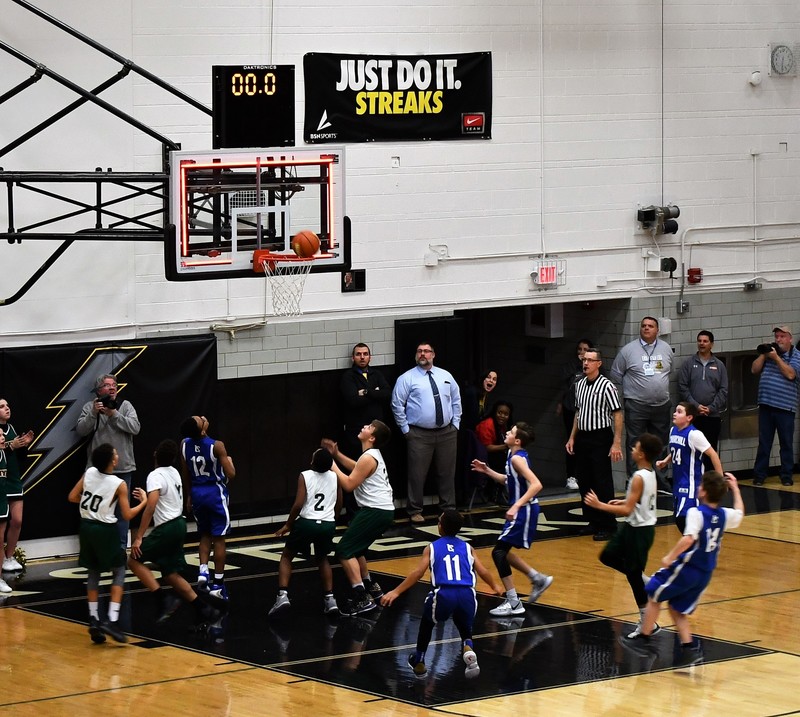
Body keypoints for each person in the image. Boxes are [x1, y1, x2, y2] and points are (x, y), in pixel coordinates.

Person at [622, 470, 744, 668]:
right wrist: (736, 490)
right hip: (705, 574)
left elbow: (688, 538)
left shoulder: (696, 513)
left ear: (703, 491)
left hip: (688, 568)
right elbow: (739, 514)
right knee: (676, 609)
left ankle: (644, 639)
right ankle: (689, 649)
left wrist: (670, 556)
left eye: (700, 485)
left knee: (653, 590)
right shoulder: (724, 515)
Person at [380, 509, 504, 679]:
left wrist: (396, 591)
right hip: (468, 594)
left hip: (444, 593)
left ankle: (420, 660)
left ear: (441, 527)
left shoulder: (431, 548)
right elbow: (482, 570)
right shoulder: (468, 548)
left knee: (427, 623)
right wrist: (495, 585)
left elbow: (417, 573)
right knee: (463, 624)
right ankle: (468, 646)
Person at [128, 440, 220, 627]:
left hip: (167, 528)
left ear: (155, 454)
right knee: (170, 573)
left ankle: (163, 599)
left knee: (132, 560)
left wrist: (139, 537)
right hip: (179, 524)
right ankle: (205, 609)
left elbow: (151, 506)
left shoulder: (155, 475)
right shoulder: (175, 472)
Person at [584, 432, 663, 638]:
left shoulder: (639, 477)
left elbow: (628, 510)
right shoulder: (648, 472)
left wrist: (599, 505)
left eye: (635, 447)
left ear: (642, 454)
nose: (632, 450)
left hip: (641, 530)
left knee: (632, 575)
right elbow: (638, 501)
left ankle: (648, 622)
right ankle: (646, 579)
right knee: (607, 556)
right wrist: (623, 502)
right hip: (631, 527)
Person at [67, 443, 147, 643]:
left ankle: (94, 619)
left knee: (93, 572)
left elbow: (72, 497)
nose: (117, 454)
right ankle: (111, 620)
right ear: (113, 461)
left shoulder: (90, 472)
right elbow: (127, 514)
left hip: (86, 527)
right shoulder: (118, 483)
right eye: (115, 452)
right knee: (119, 571)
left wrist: (93, 501)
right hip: (105, 530)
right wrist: (144, 502)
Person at [471, 422, 553, 616]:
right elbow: (510, 480)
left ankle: (514, 602)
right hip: (522, 509)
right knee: (503, 550)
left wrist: (516, 505)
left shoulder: (517, 459)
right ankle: (537, 578)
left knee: (498, 552)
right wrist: (487, 471)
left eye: (511, 431)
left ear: (517, 440)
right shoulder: (513, 455)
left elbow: (536, 485)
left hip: (524, 510)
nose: (507, 432)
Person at [323, 420, 395, 616]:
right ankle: (372, 588)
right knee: (358, 549)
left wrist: (331, 464)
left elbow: (348, 484)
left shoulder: (369, 457)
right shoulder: (371, 456)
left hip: (375, 510)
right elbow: (357, 468)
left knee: (344, 550)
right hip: (383, 510)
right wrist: (337, 455)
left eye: (369, 427)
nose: (364, 426)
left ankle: (361, 597)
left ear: (372, 437)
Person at [391, 341, 462, 523]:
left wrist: (455, 424)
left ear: (433, 354)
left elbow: (456, 400)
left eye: (427, 351)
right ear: (416, 355)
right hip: (419, 434)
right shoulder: (407, 378)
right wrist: (406, 430)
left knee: (447, 473)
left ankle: (448, 509)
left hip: (447, 432)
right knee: (417, 474)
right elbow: (397, 404)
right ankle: (415, 510)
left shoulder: (445, 375)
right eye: (420, 351)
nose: (423, 354)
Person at [269, 447, 343, 617]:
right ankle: (330, 599)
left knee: (287, 556)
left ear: (312, 462)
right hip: (327, 523)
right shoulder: (336, 477)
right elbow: (339, 502)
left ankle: (282, 596)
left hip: (307, 522)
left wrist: (288, 524)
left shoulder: (305, 475)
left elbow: (298, 504)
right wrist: (333, 520)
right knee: (323, 559)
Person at [75, 374, 141, 550]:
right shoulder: (90, 407)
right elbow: (81, 431)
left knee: (121, 513)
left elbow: (135, 428)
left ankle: (120, 550)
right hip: (97, 471)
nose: (112, 388)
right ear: (98, 391)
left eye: (114, 385)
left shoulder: (125, 406)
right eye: (106, 385)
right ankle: (97, 548)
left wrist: (114, 414)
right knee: (96, 511)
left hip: (123, 468)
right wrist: (93, 413)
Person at [566, 348, 624, 541]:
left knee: (602, 481)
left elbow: (617, 413)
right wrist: (572, 437)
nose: (586, 363)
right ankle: (593, 520)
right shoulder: (579, 384)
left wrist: (616, 443)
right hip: (583, 436)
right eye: (584, 359)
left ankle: (608, 524)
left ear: (598, 363)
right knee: (585, 480)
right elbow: (578, 413)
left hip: (601, 437)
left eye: (590, 360)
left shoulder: (607, 386)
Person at [179, 415, 236, 600]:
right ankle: (218, 584)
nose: (203, 417)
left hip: (197, 492)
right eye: (200, 419)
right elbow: (231, 474)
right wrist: (229, 461)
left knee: (204, 534)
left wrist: (189, 495)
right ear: (203, 429)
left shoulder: (184, 444)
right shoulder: (217, 445)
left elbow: (185, 472)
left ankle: (203, 571)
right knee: (219, 539)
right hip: (215, 493)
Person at [610, 317, 673, 475]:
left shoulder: (666, 348)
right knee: (635, 443)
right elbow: (616, 375)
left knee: (660, 443)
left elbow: (668, 371)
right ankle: (634, 478)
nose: (646, 328)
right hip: (637, 405)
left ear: (657, 331)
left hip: (661, 405)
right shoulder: (628, 350)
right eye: (643, 325)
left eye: (650, 326)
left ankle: (660, 481)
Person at [339, 343, 391, 519]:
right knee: (354, 471)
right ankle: (353, 513)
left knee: (374, 471)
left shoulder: (377, 374)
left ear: (370, 357)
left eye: (365, 354)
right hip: (356, 433)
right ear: (353, 358)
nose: (362, 357)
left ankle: (374, 509)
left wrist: (366, 392)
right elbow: (352, 399)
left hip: (376, 433)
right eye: (358, 354)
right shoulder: (348, 376)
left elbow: (386, 394)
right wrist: (373, 394)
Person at [656, 402, 723, 533]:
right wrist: (665, 461)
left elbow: (713, 454)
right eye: (675, 411)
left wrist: (720, 479)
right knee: (682, 521)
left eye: (679, 412)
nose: (675, 414)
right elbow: (677, 450)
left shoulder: (694, 434)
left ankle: (701, 544)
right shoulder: (673, 431)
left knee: (683, 520)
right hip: (678, 483)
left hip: (691, 486)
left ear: (689, 417)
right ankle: (698, 545)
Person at [751, 325, 800, 486]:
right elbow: (754, 370)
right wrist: (765, 356)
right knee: (764, 442)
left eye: (782, 337)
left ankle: (786, 476)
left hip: (785, 408)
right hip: (766, 405)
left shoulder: (796, 356)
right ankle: (759, 475)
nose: (778, 340)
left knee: (786, 443)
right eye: (777, 336)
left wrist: (777, 358)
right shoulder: (769, 356)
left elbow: (791, 374)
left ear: (789, 338)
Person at [677, 330, 728, 466]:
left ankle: (711, 482)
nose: (702, 343)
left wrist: (711, 408)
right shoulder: (688, 364)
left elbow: (723, 390)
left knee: (710, 451)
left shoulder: (719, 365)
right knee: (691, 450)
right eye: (699, 341)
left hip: (712, 417)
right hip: (693, 417)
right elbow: (683, 387)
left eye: (705, 341)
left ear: (711, 344)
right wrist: (695, 406)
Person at [0, 399, 34, 572]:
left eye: (7, 405)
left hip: (13, 480)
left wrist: (23, 445)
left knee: (17, 520)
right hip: (1, 482)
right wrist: (10, 446)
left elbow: (19, 457)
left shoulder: (12, 428)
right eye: (2, 407)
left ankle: (9, 557)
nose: (7, 408)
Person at [557, 340, 593, 490]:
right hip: (571, 409)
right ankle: (571, 476)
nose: (582, 352)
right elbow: (564, 384)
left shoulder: (595, 367)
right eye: (580, 349)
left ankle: (585, 474)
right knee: (572, 441)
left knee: (586, 442)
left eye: (585, 349)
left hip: (589, 411)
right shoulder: (571, 366)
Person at [475, 400, 513, 503]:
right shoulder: (487, 424)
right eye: (499, 413)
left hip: (495, 455)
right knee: (502, 461)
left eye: (506, 414)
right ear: (494, 412)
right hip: (483, 457)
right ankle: (495, 494)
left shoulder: (504, 426)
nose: (502, 416)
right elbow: (486, 447)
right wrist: (506, 446)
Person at [0, 431, 13, 594]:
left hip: (2, 503)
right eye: (0, 436)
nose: (3, 438)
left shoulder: (3, 454)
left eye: (3, 435)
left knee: (0, 541)